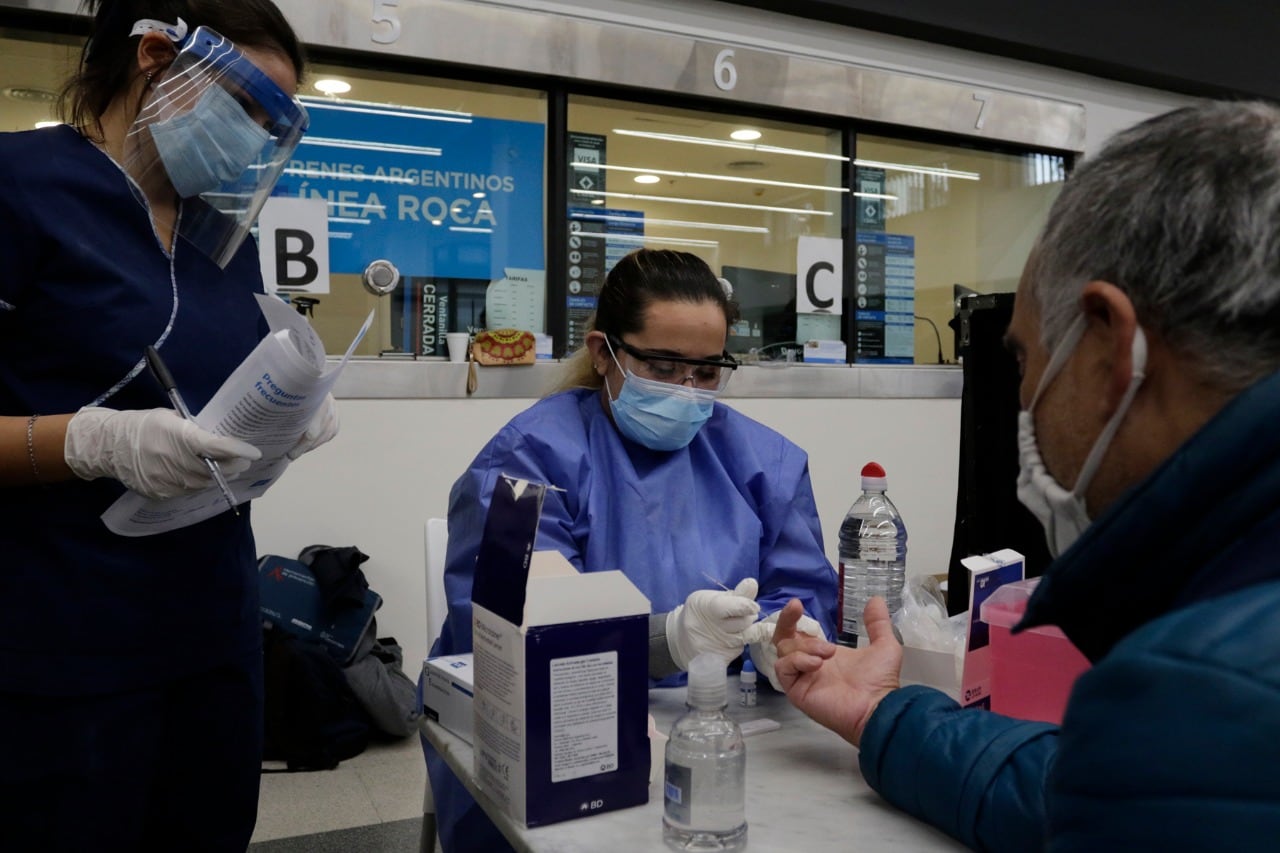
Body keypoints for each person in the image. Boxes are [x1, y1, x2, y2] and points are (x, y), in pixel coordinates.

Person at [770, 99, 1280, 851]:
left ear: (1112, 349)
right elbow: (1089, 791)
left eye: (1025, 356)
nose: (1025, 394)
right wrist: (883, 711)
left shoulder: (1198, 691)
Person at [0, 2, 335, 850]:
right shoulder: (18, 186)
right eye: (247, 107)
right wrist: (88, 441)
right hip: (58, 647)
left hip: (211, 634)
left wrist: (289, 405)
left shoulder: (220, 234)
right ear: (155, 55)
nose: (253, 137)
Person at [426, 247, 837, 852]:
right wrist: (666, 640)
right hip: (555, 745)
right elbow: (513, 635)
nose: (689, 390)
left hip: (725, 733)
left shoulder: (763, 463)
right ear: (603, 353)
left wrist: (782, 643)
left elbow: (802, 591)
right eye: (665, 366)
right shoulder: (528, 461)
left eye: (707, 370)